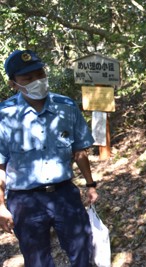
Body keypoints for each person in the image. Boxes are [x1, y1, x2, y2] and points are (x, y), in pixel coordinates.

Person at [0, 49, 98, 266]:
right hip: (25, 201)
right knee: (37, 260)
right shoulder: (4, 115)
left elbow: (79, 150)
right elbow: (0, 164)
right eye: (28, 78)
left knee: (82, 249)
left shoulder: (66, 107)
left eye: (40, 74)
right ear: (14, 84)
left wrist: (90, 185)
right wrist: (0, 206)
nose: (37, 81)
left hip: (64, 193)